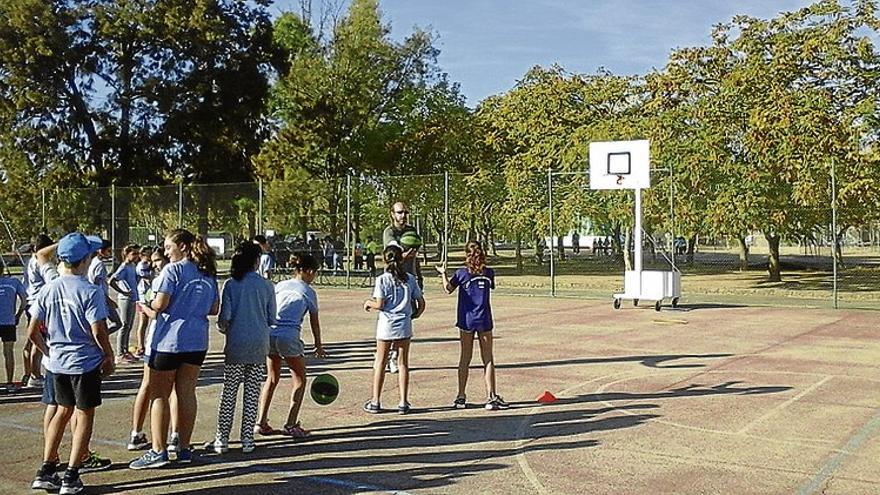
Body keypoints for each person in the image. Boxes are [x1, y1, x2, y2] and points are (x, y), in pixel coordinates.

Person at [28, 233, 114, 494]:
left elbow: (33, 331)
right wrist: (108, 356)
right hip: (83, 363)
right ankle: (72, 474)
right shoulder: (90, 291)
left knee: (61, 410)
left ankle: (46, 466)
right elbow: (98, 330)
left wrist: (48, 351)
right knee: (84, 414)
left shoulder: (49, 288)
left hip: (57, 363)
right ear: (85, 259)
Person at [129, 229, 219, 469]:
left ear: (182, 246)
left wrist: (147, 300)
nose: (166, 252)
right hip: (196, 342)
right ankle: (184, 447)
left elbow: (160, 304)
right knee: (186, 393)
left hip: (169, 341)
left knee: (159, 395)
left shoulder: (173, 270)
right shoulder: (207, 272)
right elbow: (214, 308)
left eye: (169, 247)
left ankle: (158, 450)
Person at [209, 242, 275, 453]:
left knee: (229, 391)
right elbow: (272, 317)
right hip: (259, 344)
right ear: (256, 261)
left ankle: (222, 438)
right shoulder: (267, 285)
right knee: (252, 391)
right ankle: (247, 438)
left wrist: (225, 328)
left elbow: (224, 317)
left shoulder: (231, 284)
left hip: (236, 344)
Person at [255, 252, 326, 438]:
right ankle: (291, 424)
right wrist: (318, 345)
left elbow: (268, 307)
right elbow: (315, 322)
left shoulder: (280, 285)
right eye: (315, 273)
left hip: (270, 334)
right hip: (289, 336)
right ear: (309, 271)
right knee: (300, 380)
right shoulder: (308, 291)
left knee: (271, 378)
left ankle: (261, 422)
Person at [435, 241, 509, 411]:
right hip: (484, 319)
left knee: (465, 358)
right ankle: (491, 396)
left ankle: (461, 397)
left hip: (467, 320)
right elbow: (488, 285)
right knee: (488, 358)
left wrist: (443, 274)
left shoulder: (461, 273)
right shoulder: (488, 273)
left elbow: (448, 289)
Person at [362, 245, 425, 415]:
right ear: (402, 259)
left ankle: (376, 401)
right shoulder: (410, 279)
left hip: (386, 325)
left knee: (380, 362)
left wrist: (369, 303)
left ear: (385, 259)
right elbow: (421, 303)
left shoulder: (383, 279)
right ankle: (403, 402)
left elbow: (380, 304)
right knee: (403, 363)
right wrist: (414, 315)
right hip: (404, 324)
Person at [127, 248, 175, 452]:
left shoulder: (168, 278)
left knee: (173, 389)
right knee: (149, 385)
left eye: (158, 260)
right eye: (153, 261)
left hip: (171, 339)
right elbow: (153, 312)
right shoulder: (151, 281)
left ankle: (175, 434)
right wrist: (147, 307)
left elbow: (153, 308)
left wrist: (147, 307)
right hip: (157, 340)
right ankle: (136, 433)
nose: (155, 264)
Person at [382, 201, 423, 374]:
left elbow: (414, 256)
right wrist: (404, 255)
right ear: (392, 214)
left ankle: (394, 356)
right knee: (391, 319)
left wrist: (418, 278)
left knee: (407, 319)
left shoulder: (412, 232)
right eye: (399, 212)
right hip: (393, 281)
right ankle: (387, 356)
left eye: (405, 212)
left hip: (409, 279)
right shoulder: (389, 232)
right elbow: (390, 257)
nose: (403, 215)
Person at [23, 233, 56, 388]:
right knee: (38, 340)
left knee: (33, 340)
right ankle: (35, 375)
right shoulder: (38, 262)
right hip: (38, 304)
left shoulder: (30, 261)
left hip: (31, 303)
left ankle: (32, 372)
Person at [109, 244, 140, 364]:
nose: (136, 256)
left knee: (129, 326)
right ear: (127, 254)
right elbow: (112, 280)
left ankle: (125, 350)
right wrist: (123, 291)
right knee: (124, 325)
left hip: (133, 298)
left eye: (137, 253)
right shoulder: (124, 266)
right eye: (134, 254)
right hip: (125, 299)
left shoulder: (133, 266)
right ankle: (120, 353)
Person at [87, 239, 122, 335]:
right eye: (108, 251)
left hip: (99, 298)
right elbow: (97, 285)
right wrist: (108, 300)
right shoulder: (99, 265)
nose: (110, 253)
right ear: (100, 251)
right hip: (101, 299)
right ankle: (100, 338)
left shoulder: (94, 261)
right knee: (117, 323)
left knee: (103, 324)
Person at [0, 262, 26, 389]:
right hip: (8, 321)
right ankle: (9, 382)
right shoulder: (13, 282)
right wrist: (18, 315)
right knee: (8, 352)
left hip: (8, 321)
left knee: (8, 351)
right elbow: (24, 300)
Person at [133, 246, 154, 358]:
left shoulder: (148, 265)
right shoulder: (142, 265)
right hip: (142, 297)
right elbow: (147, 277)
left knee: (149, 322)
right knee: (143, 322)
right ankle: (140, 346)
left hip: (149, 295)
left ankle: (146, 345)